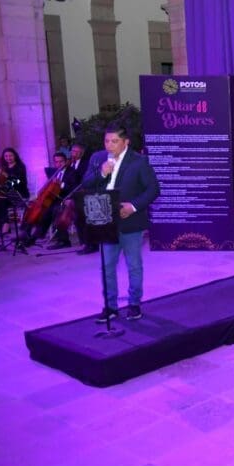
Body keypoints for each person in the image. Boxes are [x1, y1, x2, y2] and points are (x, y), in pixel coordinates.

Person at [81, 124, 160, 322]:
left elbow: (153, 190)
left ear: (126, 142)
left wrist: (133, 206)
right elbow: (85, 183)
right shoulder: (98, 158)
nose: (109, 145)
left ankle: (134, 304)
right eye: (107, 141)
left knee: (134, 265)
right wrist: (101, 174)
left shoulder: (139, 161)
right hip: (105, 220)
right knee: (107, 266)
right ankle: (110, 307)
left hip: (130, 221)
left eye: (114, 141)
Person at [20, 152, 80, 248]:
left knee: (55, 210)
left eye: (61, 161)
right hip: (53, 199)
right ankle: (29, 235)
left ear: (66, 161)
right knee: (38, 210)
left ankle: (63, 241)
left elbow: (74, 187)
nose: (59, 164)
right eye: (56, 162)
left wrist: (61, 184)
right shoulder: (54, 172)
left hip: (66, 199)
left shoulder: (72, 172)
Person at [0, 147, 29, 235]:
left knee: (0, 200)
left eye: (10, 156)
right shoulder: (4, 166)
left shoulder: (20, 167)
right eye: (6, 156)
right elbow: (2, 183)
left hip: (19, 193)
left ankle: (5, 225)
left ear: (15, 156)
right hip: (6, 193)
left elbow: (17, 182)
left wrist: (5, 175)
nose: (8, 158)